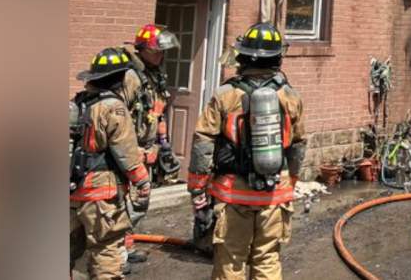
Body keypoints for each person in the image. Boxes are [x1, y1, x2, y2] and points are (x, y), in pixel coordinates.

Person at [187, 22, 306, 280]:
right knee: (267, 259)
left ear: (243, 56)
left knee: (231, 260)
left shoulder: (224, 95)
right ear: (277, 58)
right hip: (275, 193)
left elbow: (203, 142)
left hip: (234, 193)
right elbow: (297, 146)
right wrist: (290, 182)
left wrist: (197, 189)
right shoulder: (291, 96)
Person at [70, 47, 152, 280]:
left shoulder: (78, 103)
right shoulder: (113, 107)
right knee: (106, 251)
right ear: (121, 78)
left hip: (72, 191)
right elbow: (125, 153)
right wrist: (142, 181)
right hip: (101, 194)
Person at [119, 23, 181, 266]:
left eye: (163, 51)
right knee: (127, 203)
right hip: (131, 149)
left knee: (138, 203)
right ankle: (115, 258)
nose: (162, 55)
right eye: (157, 51)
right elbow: (120, 116)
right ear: (143, 49)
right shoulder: (131, 78)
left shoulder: (154, 75)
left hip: (149, 147)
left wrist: (163, 144)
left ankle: (126, 246)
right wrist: (132, 152)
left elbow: (157, 113)